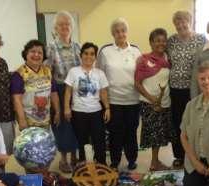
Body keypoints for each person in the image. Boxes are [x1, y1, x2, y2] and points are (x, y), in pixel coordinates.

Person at [97, 17, 142, 170]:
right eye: (117, 31)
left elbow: (140, 75)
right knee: (115, 132)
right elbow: (100, 75)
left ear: (127, 32)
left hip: (133, 100)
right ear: (113, 34)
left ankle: (131, 159)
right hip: (113, 101)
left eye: (123, 31)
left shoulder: (135, 51)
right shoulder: (105, 51)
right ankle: (115, 161)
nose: (120, 34)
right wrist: (103, 102)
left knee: (131, 131)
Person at [167, 11, 206, 168]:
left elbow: (206, 61)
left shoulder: (201, 39)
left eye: (184, 21)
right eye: (178, 22)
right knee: (177, 123)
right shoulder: (171, 41)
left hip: (194, 90)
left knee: (194, 122)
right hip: (175, 89)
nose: (181, 25)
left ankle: (195, 154)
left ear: (191, 22)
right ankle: (179, 155)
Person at [45, 11, 81, 173]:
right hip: (58, 90)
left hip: (76, 91)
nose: (65, 27)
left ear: (71, 27)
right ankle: (64, 159)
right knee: (61, 125)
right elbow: (47, 73)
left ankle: (75, 155)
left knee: (75, 124)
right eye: (61, 24)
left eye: (67, 24)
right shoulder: (51, 47)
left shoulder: (77, 47)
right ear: (56, 28)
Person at [64, 42, 111, 165]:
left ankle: (101, 164)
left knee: (99, 141)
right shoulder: (73, 72)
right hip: (78, 112)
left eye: (92, 54)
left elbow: (103, 92)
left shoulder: (100, 73)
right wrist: (66, 108)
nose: (88, 56)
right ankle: (84, 165)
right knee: (82, 141)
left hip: (96, 112)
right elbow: (68, 91)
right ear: (81, 55)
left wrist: (107, 108)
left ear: (95, 57)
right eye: (86, 53)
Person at [134, 28, 173, 171]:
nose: (161, 43)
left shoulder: (168, 58)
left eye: (163, 41)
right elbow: (137, 83)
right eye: (157, 41)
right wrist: (151, 98)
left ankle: (155, 161)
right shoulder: (144, 60)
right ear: (151, 42)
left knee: (161, 134)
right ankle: (154, 163)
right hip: (149, 103)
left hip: (165, 102)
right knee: (153, 134)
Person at [11, 39, 61, 131]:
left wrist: (58, 112)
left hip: (45, 121)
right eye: (32, 51)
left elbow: (54, 93)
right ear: (26, 53)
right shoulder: (19, 74)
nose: (36, 55)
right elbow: (16, 99)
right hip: (28, 123)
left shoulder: (47, 71)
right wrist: (22, 121)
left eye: (40, 52)